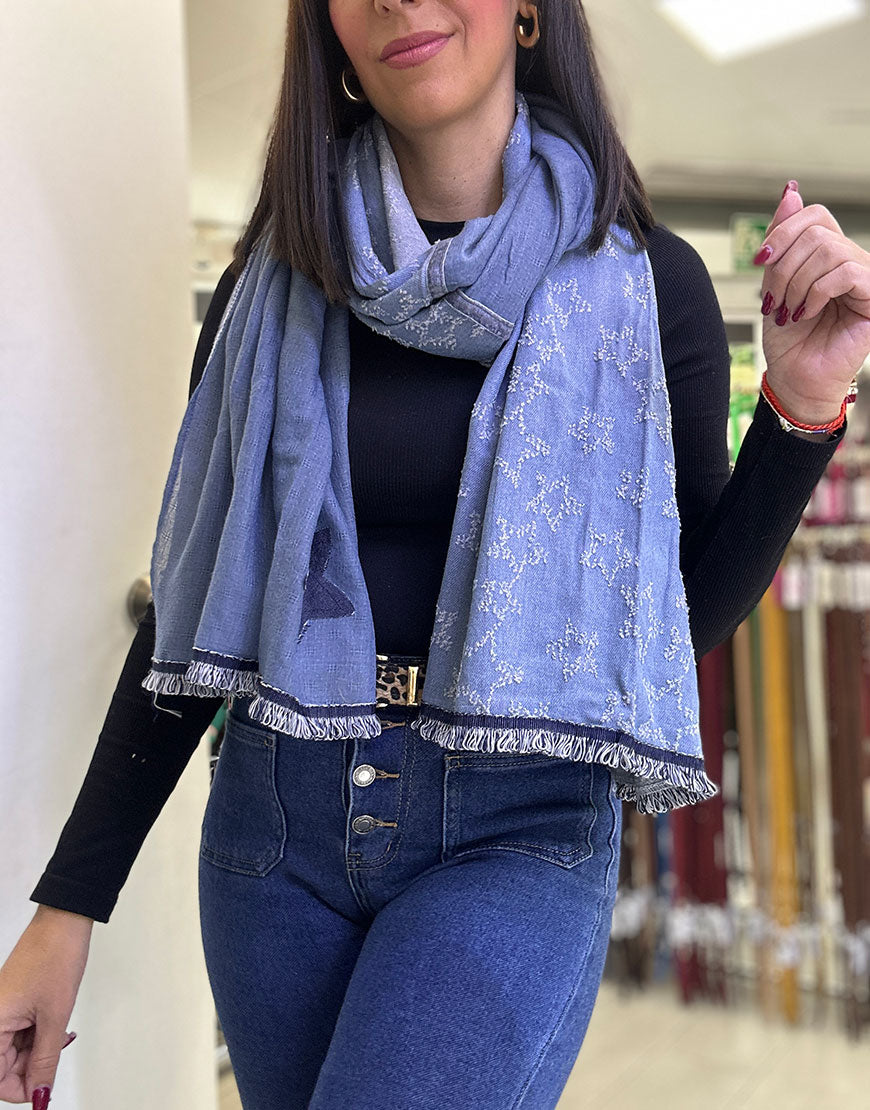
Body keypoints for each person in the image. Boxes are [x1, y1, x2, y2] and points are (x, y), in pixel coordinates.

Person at [3, 2, 869, 1108]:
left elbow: (672, 620)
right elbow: (196, 602)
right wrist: (68, 908)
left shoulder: (647, 282)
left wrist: (801, 405)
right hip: (276, 826)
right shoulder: (270, 287)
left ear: (528, 11)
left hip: (517, 823)